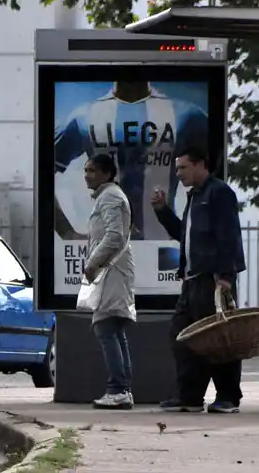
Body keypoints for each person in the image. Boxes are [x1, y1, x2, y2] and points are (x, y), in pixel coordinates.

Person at [53, 81, 207, 249]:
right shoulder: (84, 117)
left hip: (164, 249)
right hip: (107, 250)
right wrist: (67, 232)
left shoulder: (186, 115)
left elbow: (215, 183)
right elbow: (42, 173)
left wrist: (199, 236)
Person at [151, 145, 246, 414]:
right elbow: (186, 235)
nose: (178, 173)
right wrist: (162, 211)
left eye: (183, 167)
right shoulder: (195, 197)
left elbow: (229, 236)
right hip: (191, 281)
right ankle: (189, 396)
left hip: (212, 280)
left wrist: (226, 277)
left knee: (220, 341)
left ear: (201, 164)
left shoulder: (219, 193)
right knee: (182, 337)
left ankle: (228, 397)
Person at [83, 153, 136, 410]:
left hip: (112, 271)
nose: (86, 175)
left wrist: (92, 263)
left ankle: (118, 389)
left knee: (105, 327)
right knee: (112, 328)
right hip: (112, 270)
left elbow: (114, 236)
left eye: (92, 170)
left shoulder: (111, 197)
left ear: (106, 174)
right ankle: (122, 388)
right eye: (86, 170)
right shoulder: (106, 197)